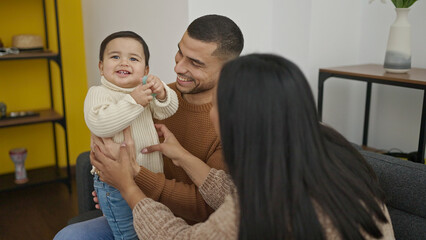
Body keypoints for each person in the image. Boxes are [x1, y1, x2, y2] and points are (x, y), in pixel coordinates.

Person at [89, 53, 395, 239]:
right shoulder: (330, 149)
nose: (210, 111)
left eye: (218, 104)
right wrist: (181, 155)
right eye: (179, 55)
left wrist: (128, 186)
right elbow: (233, 190)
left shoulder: (261, 207)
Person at [54, 14, 244, 239]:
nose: (178, 68)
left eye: (195, 63)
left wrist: (129, 179)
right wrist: (114, 186)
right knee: (68, 237)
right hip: (133, 205)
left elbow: (207, 206)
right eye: (180, 52)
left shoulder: (230, 123)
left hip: (183, 228)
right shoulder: (157, 96)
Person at [83, 30, 178, 239]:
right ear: (101, 66)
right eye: (115, 56)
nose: (123, 63)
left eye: (133, 58)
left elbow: (167, 110)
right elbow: (101, 124)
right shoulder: (98, 93)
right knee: (128, 234)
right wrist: (134, 101)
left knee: (147, 228)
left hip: (149, 178)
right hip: (114, 182)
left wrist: (162, 92)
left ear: (145, 70)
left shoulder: (144, 92)